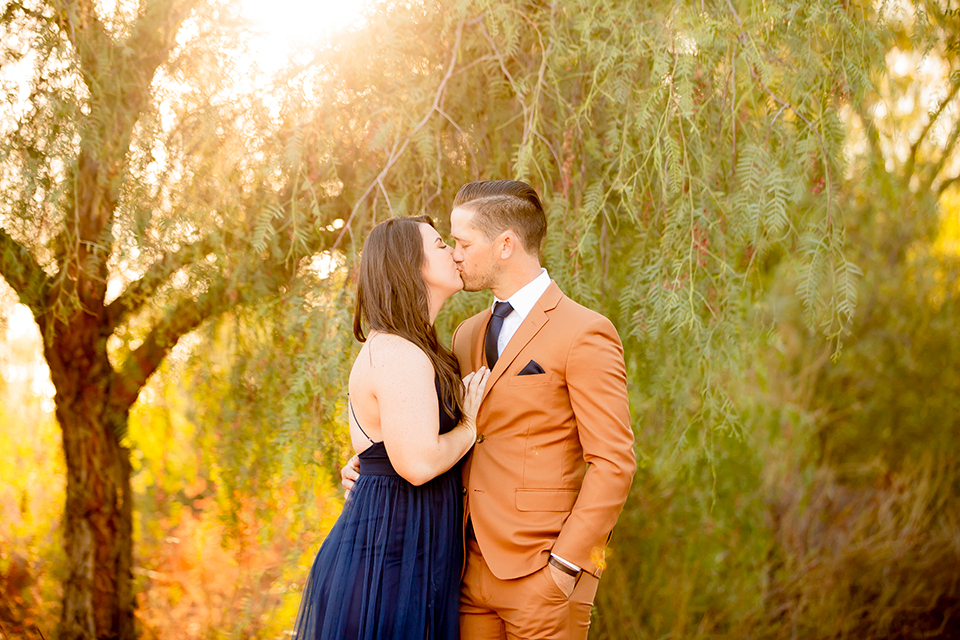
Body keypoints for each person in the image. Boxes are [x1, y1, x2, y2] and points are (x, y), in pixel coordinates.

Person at [343, 180, 636, 640]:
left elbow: (614, 463)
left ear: (505, 245)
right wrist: (373, 462)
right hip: (460, 573)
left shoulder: (585, 332)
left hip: (543, 576)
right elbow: (431, 427)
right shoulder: (464, 335)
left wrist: (566, 567)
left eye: (462, 243)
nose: (455, 254)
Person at [293, 215, 490, 640]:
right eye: (441, 245)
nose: (455, 253)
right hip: (385, 568)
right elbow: (417, 464)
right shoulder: (398, 352)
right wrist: (470, 426)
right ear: (411, 265)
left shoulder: (418, 348)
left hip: (410, 555)